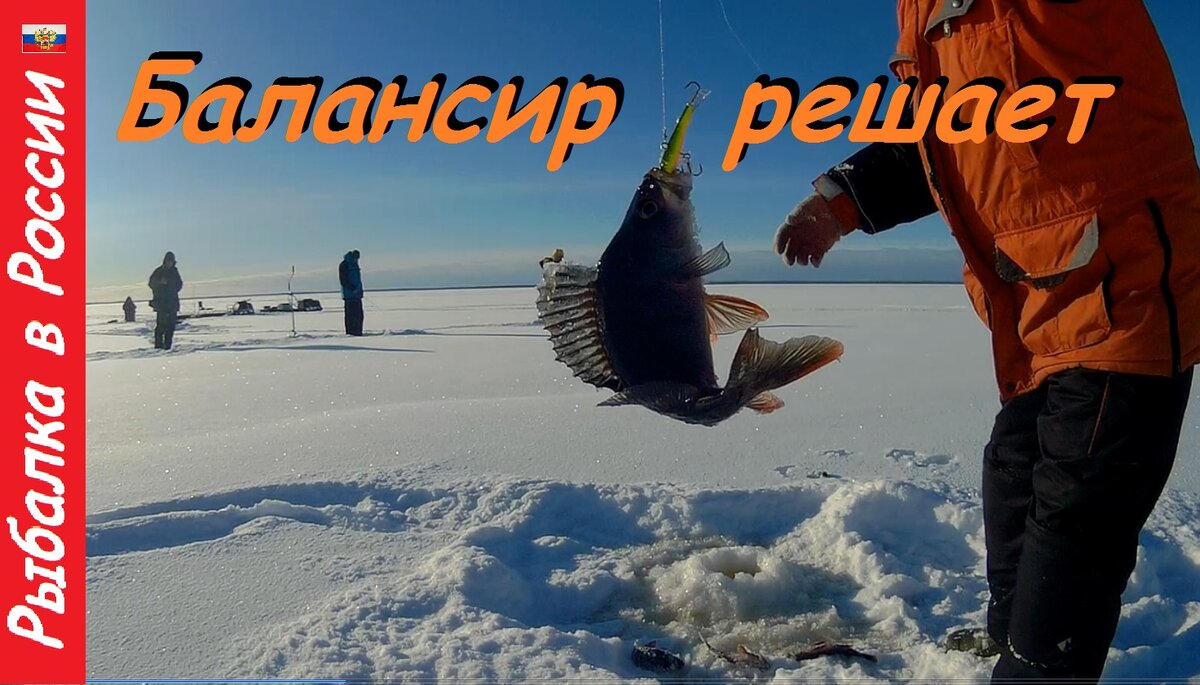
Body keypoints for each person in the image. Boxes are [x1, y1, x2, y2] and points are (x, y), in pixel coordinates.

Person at [773, 2, 1199, 682]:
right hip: (1032, 316)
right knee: (1012, 474)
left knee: (1072, 528)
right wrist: (839, 203)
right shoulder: (924, 20)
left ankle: (1034, 665)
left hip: (1124, 297)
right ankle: (1008, 642)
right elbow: (943, 138)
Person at [147, 251, 183, 350]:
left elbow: (179, 285)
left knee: (171, 327)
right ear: (165, 261)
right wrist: (159, 282)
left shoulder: (175, 272)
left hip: (172, 303)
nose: (169, 263)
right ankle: (158, 347)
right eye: (168, 261)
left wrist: (169, 283)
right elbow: (151, 283)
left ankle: (167, 347)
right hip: (161, 304)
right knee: (161, 326)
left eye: (171, 261)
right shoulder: (158, 271)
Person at [339, 250, 364, 336]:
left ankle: (358, 331)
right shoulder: (344, 265)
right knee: (351, 316)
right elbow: (343, 280)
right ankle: (351, 332)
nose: (357, 259)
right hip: (349, 295)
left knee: (359, 315)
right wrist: (352, 288)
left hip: (357, 295)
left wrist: (359, 290)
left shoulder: (355, 264)